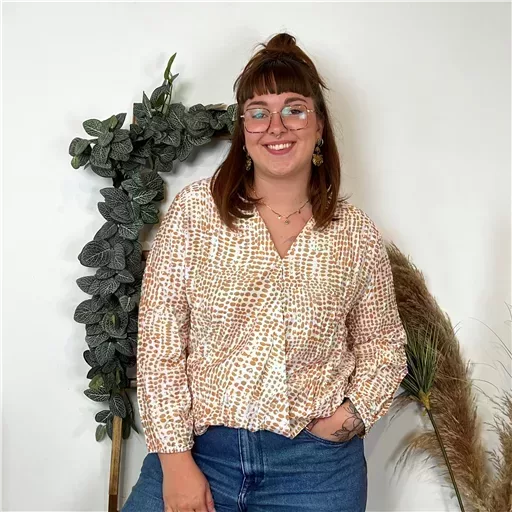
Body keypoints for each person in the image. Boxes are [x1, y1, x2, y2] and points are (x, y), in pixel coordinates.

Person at [122, 33, 408, 512]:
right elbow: (160, 341)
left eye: (294, 109)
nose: (276, 126)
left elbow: (384, 345)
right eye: (258, 112)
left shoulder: (355, 234)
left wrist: (348, 418)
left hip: (314, 471)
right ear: (244, 129)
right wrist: (175, 461)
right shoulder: (196, 213)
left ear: (320, 126)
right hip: (200, 454)